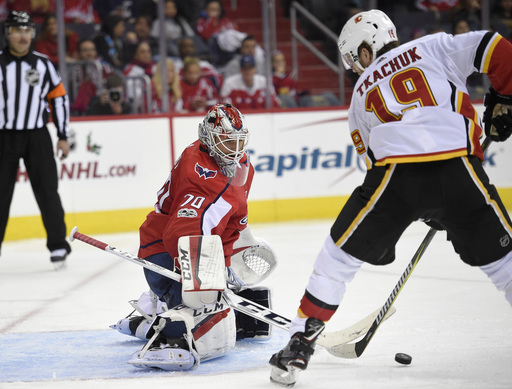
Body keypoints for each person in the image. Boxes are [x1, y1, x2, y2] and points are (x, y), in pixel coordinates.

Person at [269, 9, 512, 386]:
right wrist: (504, 95)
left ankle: (300, 342)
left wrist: (401, 219)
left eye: (354, 58)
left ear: (367, 50)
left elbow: (373, 162)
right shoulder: (433, 46)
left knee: (338, 256)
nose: (354, 68)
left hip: (396, 177)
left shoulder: (359, 94)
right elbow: (496, 48)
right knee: (504, 262)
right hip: (459, 170)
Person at [111, 103, 276, 371]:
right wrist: (201, 279)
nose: (234, 150)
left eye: (238, 142)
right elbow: (182, 232)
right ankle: (152, 316)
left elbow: (232, 222)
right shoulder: (197, 169)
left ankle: (157, 306)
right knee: (201, 305)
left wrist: (221, 265)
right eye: (225, 141)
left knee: (212, 301)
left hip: (200, 247)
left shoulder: (243, 166)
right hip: (164, 251)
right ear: (209, 139)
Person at [0, 11, 72, 269]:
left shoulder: (43, 64)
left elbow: (59, 98)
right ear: (8, 33)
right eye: (17, 30)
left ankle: (58, 245)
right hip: (3, 137)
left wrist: (62, 135)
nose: (22, 35)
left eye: (27, 30)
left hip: (37, 135)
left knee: (47, 191)